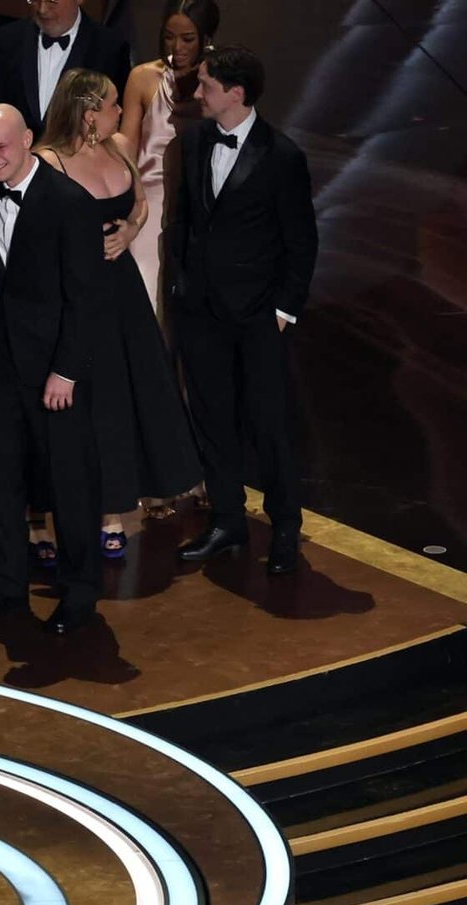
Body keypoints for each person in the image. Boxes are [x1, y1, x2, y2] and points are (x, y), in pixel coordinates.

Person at [34, 71, 201, 559]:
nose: (118, 111)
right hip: (75, 294)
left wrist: (128, 231)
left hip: (122, 291)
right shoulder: (49, 162)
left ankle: (113, 511)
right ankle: (43, 519)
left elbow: (142, 206)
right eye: (110, 105)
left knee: (123, 400)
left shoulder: (122, 146)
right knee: (80, 406)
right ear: (88, 114)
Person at [167, 45, 317, 575]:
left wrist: (283, 311)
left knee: (268, 423)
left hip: (257, 316)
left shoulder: (282, 157)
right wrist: (182, 287)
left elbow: (301, 243)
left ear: (236, 93)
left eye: (206, 84)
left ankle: (284, 527)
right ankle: (228, 518)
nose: (197, 92)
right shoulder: (194, 140)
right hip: (202, 311)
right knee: (211, 418)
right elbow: (184, 220)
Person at [0, 104, 104, 634]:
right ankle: (4, 591)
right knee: (1, 485)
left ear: (28, 140)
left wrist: (66, 371)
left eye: (1, 147)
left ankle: (79, 596)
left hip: (55, 373)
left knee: (70, 485)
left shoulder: (70, 203)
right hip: (2, 365)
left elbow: (85, 299)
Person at [120, 0, 221, 315]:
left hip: (200, 209)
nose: (176, 48)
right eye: (168, 37)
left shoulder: (219, 83)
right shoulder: (142, 78)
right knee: (147, 302)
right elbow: (126, 148)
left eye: (187, 39)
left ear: (206, 38)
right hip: (147, 203)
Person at [0, 0, 132, 136]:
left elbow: (116, 122)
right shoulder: (9, 39)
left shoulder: (110, 48)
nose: (42, 9)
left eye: (51, 0)